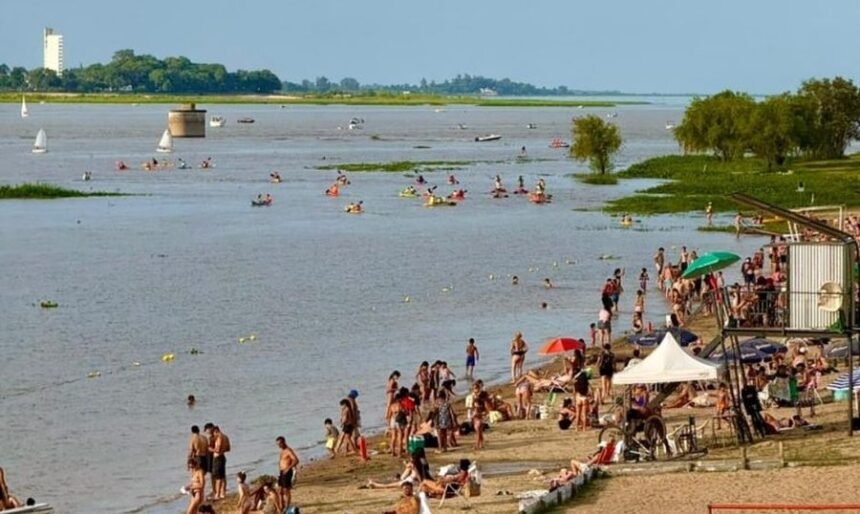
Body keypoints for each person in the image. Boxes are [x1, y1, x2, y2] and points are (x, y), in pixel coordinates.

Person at [276, 436, 299, 510]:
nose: (278, 445)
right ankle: (281, 506)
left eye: (280, 443)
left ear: (284, 442)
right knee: (280, 491)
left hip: (287, 472)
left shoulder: (288, 450)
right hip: (281, 472)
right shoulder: (282, 451)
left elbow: (296, 460)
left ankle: (287, 507)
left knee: (286, 490)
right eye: (277, 444)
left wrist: (289, 468)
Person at [187, 426, 210, 498]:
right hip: (205, 458)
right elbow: (207, 450)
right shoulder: (204, 438)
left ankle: (197, 496)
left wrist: (188, 461)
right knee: (201, 477)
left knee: (196, 478)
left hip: (197, 458)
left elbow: (191, 451)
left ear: (192, 431)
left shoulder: (193, 438)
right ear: (199, 430)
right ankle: (201, 495)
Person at [210, 426, 230, 500]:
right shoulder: (225, 437)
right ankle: (223, 493)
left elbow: (217, 450)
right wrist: (222, 450)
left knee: (217, 477)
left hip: (218, 458)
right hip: (223, 457)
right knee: (223, 476)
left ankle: (217, 494)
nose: (214, 435)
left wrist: (210, 449)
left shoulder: (219, 437)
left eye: (213, 433)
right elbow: (228, 448)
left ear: (216, 431)